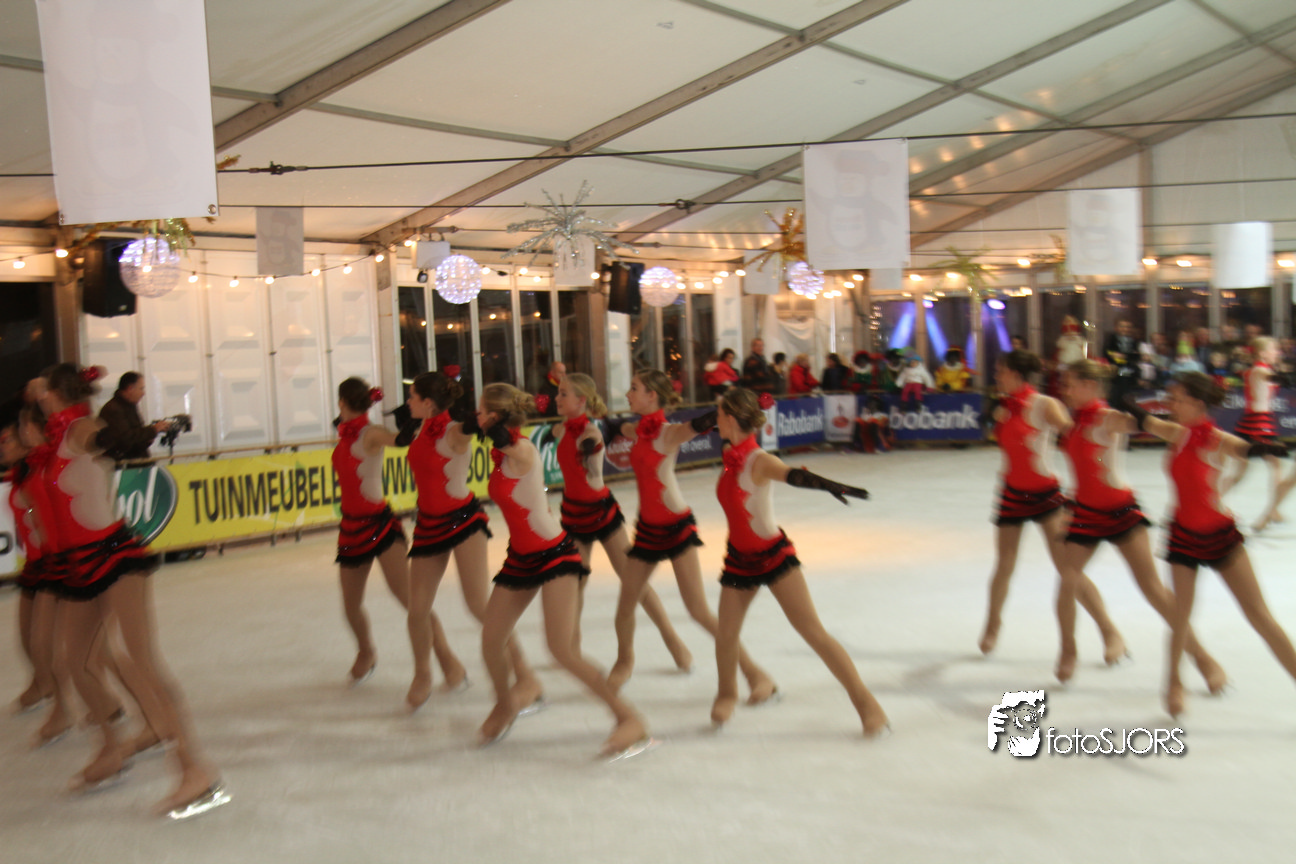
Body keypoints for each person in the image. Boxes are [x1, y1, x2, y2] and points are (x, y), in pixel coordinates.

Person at [29, 364, 225, 818]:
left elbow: (106, 438)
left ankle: (193, 769)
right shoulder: (53, 440)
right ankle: (110, 749)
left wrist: (113, 435)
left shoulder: (79, 428)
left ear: (54, 392)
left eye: (42, 388)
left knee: (140, 662)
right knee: (76, 661)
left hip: (114, 557)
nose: (36, 394)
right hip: (79, 566)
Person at [473, 383, 649, 758]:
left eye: (481, 409)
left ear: (496, 417)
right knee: (491, 639)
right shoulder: (503, 453)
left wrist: (485, 425)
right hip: (520, 558)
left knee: (561, 650)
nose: (476, 415)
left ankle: (629, 719)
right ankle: (507, 701)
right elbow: (493, 436)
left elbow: (502, 437)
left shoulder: (521, 449)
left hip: (555, 555)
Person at [711, 388, 889, 736]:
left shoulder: (758, 459)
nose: (714, 420)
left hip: (773, 557)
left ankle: (868, 705)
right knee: (726, 635)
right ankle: (727, 693)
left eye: (718, 415)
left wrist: (828, 485)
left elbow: (790, 474)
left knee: (813, 632)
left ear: (730, 419)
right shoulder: (729, 454)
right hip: (739, 560)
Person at [1125, 372, 1296, 717]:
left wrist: (1263, 448)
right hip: (1183, 537)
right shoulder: (1177, 433)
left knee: (1259, 614)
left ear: (1197, 403)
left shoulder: (1215, 439)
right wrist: (1124, 398)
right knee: (1180, 617)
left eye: (1177, 399)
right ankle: (1174, 683)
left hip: (1220, 535)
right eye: (1170, 398)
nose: (1171, 405)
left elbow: (1240, 447)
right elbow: (1144, 420)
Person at [1054, 360, 1226, 692]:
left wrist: (1139, 409)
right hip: (1086, 512)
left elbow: (1142, 424)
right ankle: (1069, 649)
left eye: (1071, 384)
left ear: (1091, 385)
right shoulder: (1073, 423)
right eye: (1065, 384)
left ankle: (1204, 659)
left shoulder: (1107, 418)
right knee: (1067, 581)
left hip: (1121, 511)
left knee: (1152, 589)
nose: (1066, 390)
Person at [608, 369, 777, 705]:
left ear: (652, 396)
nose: (628, 394)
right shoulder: (639, 429)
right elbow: (621, 428)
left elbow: (695, 426)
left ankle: (755, 674)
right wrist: (605, 424)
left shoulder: (668, 433)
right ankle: (624, 661)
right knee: (625, 606)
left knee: (698, 610)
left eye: (634, 388)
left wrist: (719, 413)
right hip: (647, 530)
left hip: (676, 526)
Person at [397, 371, 534, 712]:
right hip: (429, 526)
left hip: (463, 522)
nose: (408, 402)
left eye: (412, 397)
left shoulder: (452, 431)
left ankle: (523, 671)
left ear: (428, 402)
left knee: (478, 605)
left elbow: (466, 430)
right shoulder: (421, 429)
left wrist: (483, 421)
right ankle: (424, 674)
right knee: (417, 610)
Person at [977, 350, 1124, 664]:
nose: (996, 376)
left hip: (1046, 495)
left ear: (1015, 373)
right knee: (1004, 564)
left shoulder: (1045, 404)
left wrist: (1097, 471)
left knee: (1067, 569)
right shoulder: (1004, 406)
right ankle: (993, 623)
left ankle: (1109, 631)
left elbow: (1078, 437)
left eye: (1000, 371)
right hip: (1012, 493)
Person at [552, 373, 692, 671]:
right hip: (573, 515)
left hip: (601, 513)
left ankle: (672, 640)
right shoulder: (558, 430)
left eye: (564, 394)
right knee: (575, 582)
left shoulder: (591, 432)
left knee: (632, 580)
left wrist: (590, 451)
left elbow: (593, 450)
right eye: (558, 392)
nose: (557, 398)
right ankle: (571, 646)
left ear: (581, 400)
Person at [332, 377, 462, 696]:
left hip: (379, 526)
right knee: (350, 605)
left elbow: (400, 441)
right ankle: (366, 651)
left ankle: (448, 660)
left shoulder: (371, 432)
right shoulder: (345, 433)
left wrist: (408, 424)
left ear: (341, 402)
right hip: (350, 527)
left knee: (411, 601)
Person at [97, 372, 170, 461]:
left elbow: (135, 437)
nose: (143, 393)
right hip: (124, 464)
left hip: (135, 461)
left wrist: (149, 437)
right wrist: (153, 430)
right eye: (141, 388)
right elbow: (126, 439)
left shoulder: (129, 406)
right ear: (130, 388)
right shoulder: (114, 409)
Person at [1103, 319, 1139, 409]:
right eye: (1122, 326)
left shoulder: (1134, 342)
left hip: (1129, 374)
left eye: (1128, 327)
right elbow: (1108, 353)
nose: (1125, 329)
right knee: (1116, 396)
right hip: (1116, 373)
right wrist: (1119, 356)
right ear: (1116, 328)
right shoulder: (1111, 340)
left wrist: (1125, 356)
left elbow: (1135, 356)